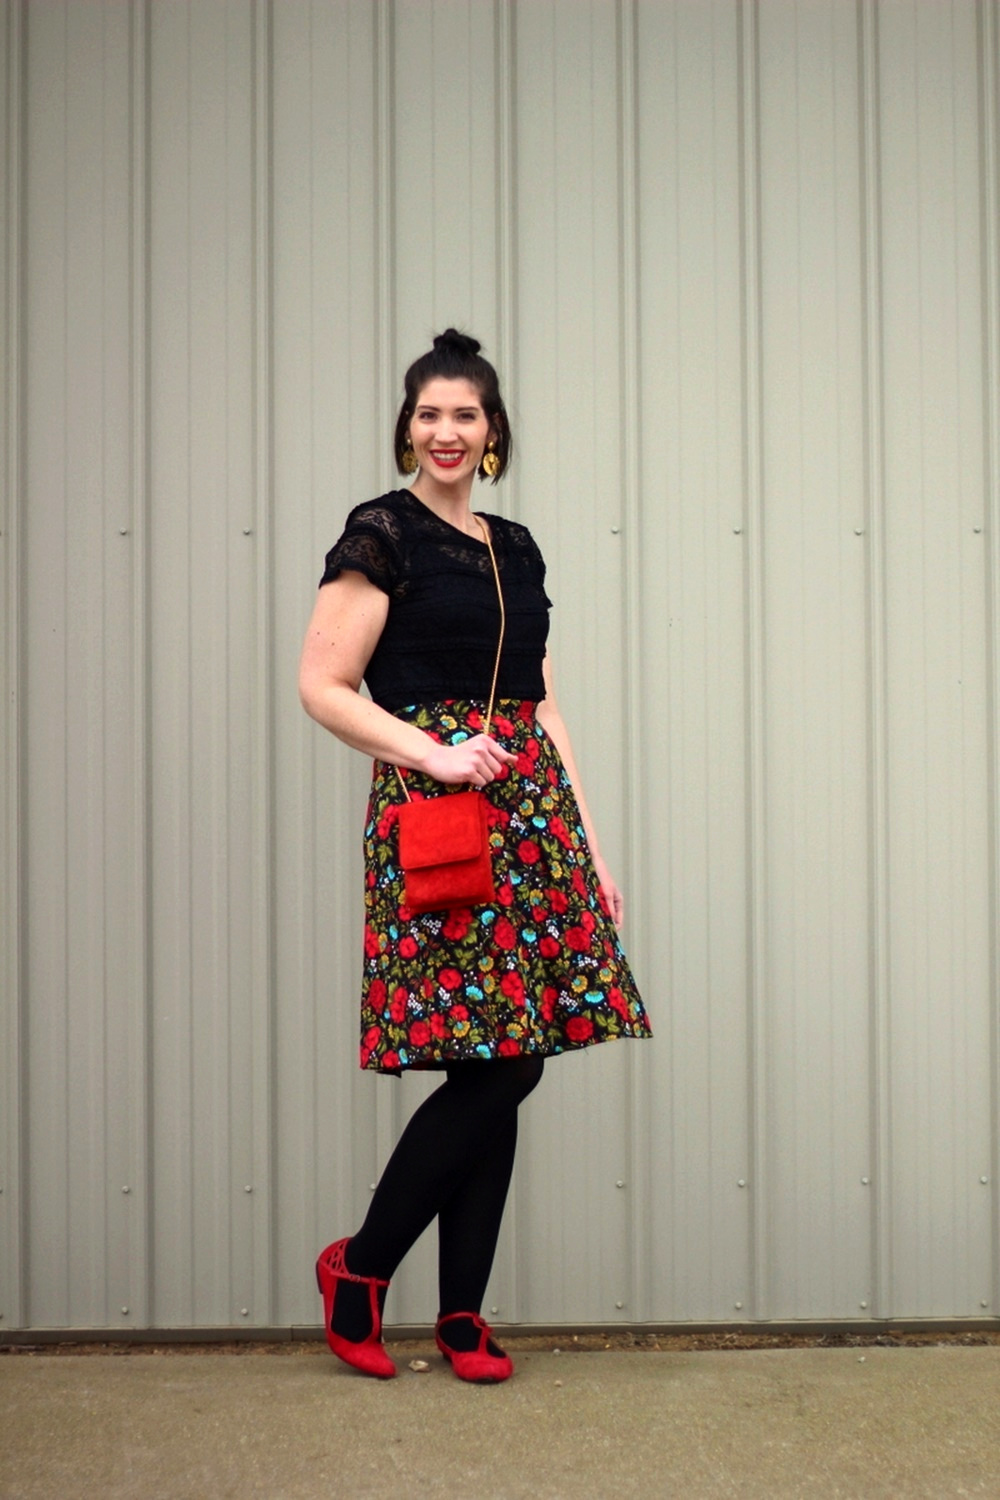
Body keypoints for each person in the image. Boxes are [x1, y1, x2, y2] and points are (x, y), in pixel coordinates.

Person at [299, 328, 651, 1383]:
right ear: (407, 427)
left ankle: (460, 1316)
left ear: (493, 430)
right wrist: (437, 755)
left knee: (501, 1054)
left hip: (531, 811)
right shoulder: (381, 534)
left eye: (464, 414)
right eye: (427, 414)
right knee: (503, 1059)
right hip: (439, 811)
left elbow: (540, 704)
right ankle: (360, 1270)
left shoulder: (518, 547)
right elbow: (322, 685)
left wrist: (587, 845)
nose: (444, 432)